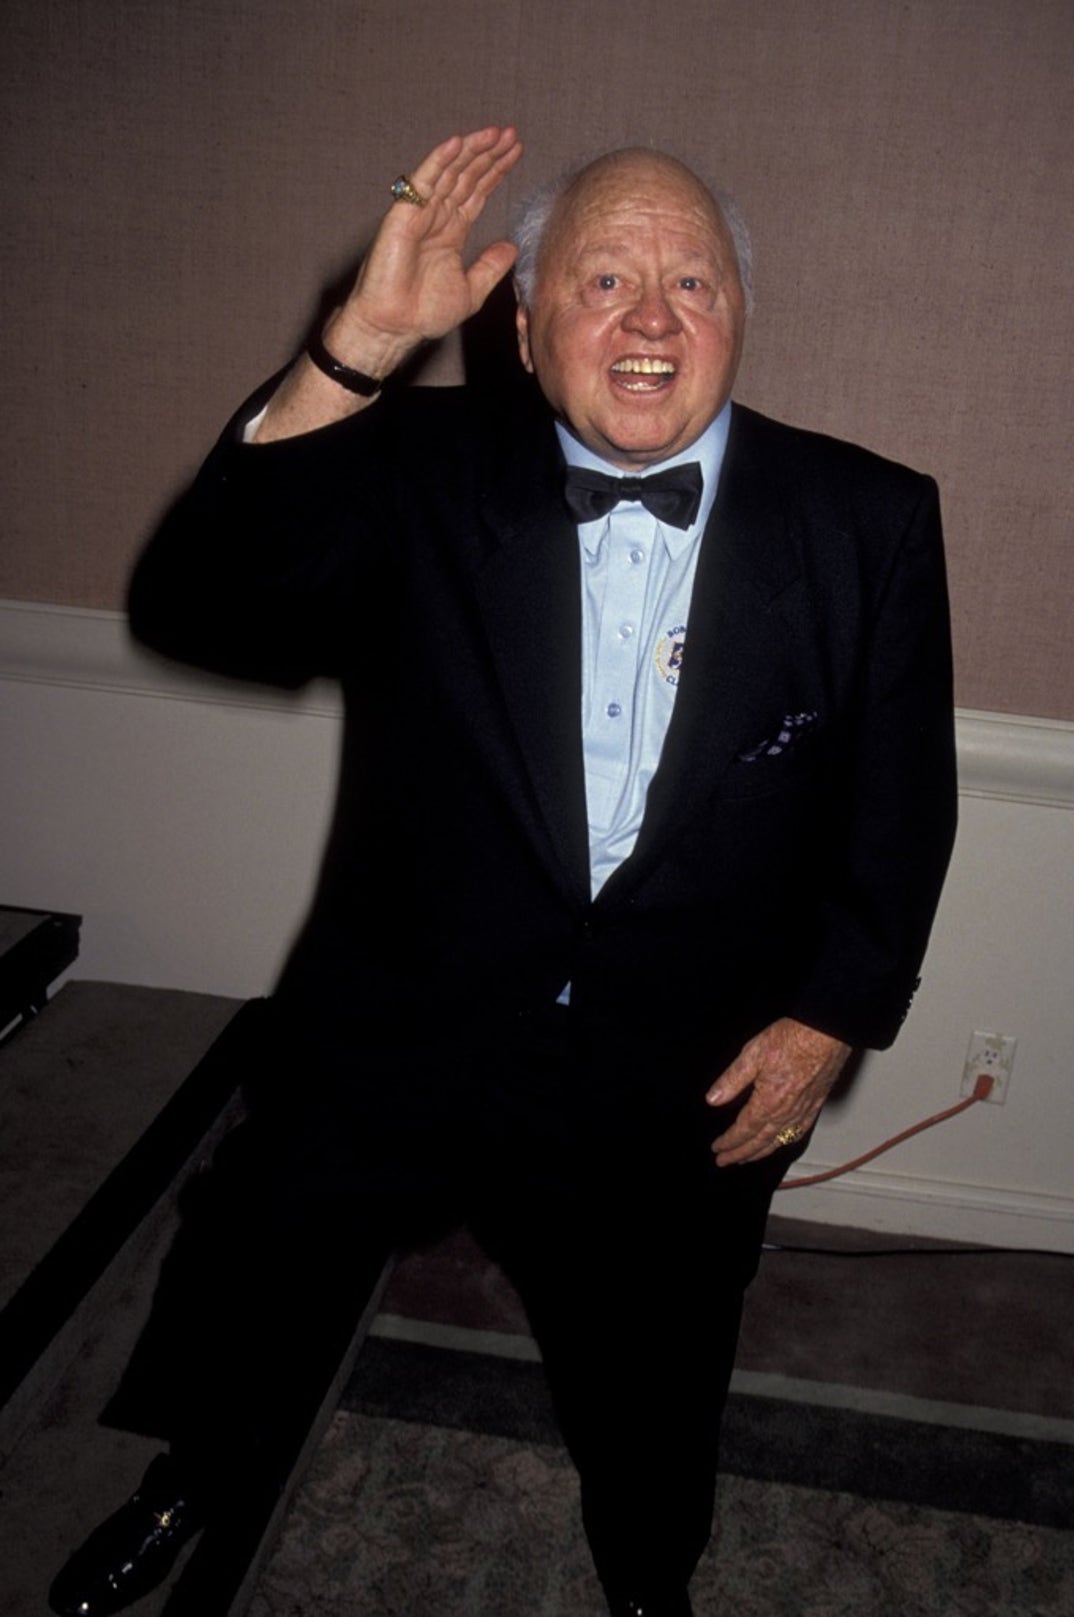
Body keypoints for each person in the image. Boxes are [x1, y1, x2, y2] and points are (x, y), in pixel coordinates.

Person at [50, 125, 957, 1617]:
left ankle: (648, 1579)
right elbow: (204, 602)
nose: (653, 317)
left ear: (738, 314)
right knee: (258, 1278)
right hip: (396, 1026)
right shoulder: (414, 467)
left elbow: (898, 807)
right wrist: (350, 353)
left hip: (682, 1070)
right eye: (603, 279)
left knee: (657, 1378)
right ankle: (197, 1481)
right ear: (522, 331)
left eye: (691, 280)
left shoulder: (865, 521)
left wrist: (828, 1019)